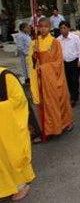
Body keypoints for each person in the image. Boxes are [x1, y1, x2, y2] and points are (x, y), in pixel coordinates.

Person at [27, 18, 74, 136]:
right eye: (41, 26)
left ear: (50, 28)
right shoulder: (34, 43)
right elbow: (31, 63)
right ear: (37, 28)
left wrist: (44, 68)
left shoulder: (54, 42)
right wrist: (34, 56)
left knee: (60, 100)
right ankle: (48, 129)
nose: (43, 29)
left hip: (53, 78)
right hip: (41, 80)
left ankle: (64, 123)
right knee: (45, 104)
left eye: (46, 26)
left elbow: (58, 62)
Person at [0, 67, 35, 201]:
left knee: (12, 155)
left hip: (8, 127)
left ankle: (20, 186)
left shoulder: (5, 76)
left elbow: (19, 101)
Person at [57, 21, 80, 106]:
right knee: (67, 80)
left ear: (68, 28)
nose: (63, 30)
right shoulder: (58, 40)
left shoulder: (75, 38)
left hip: (74, 61)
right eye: (61, 28)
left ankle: (74, 97)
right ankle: (70, 95)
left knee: (75, 80)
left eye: (64, 28)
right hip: (64, 62)